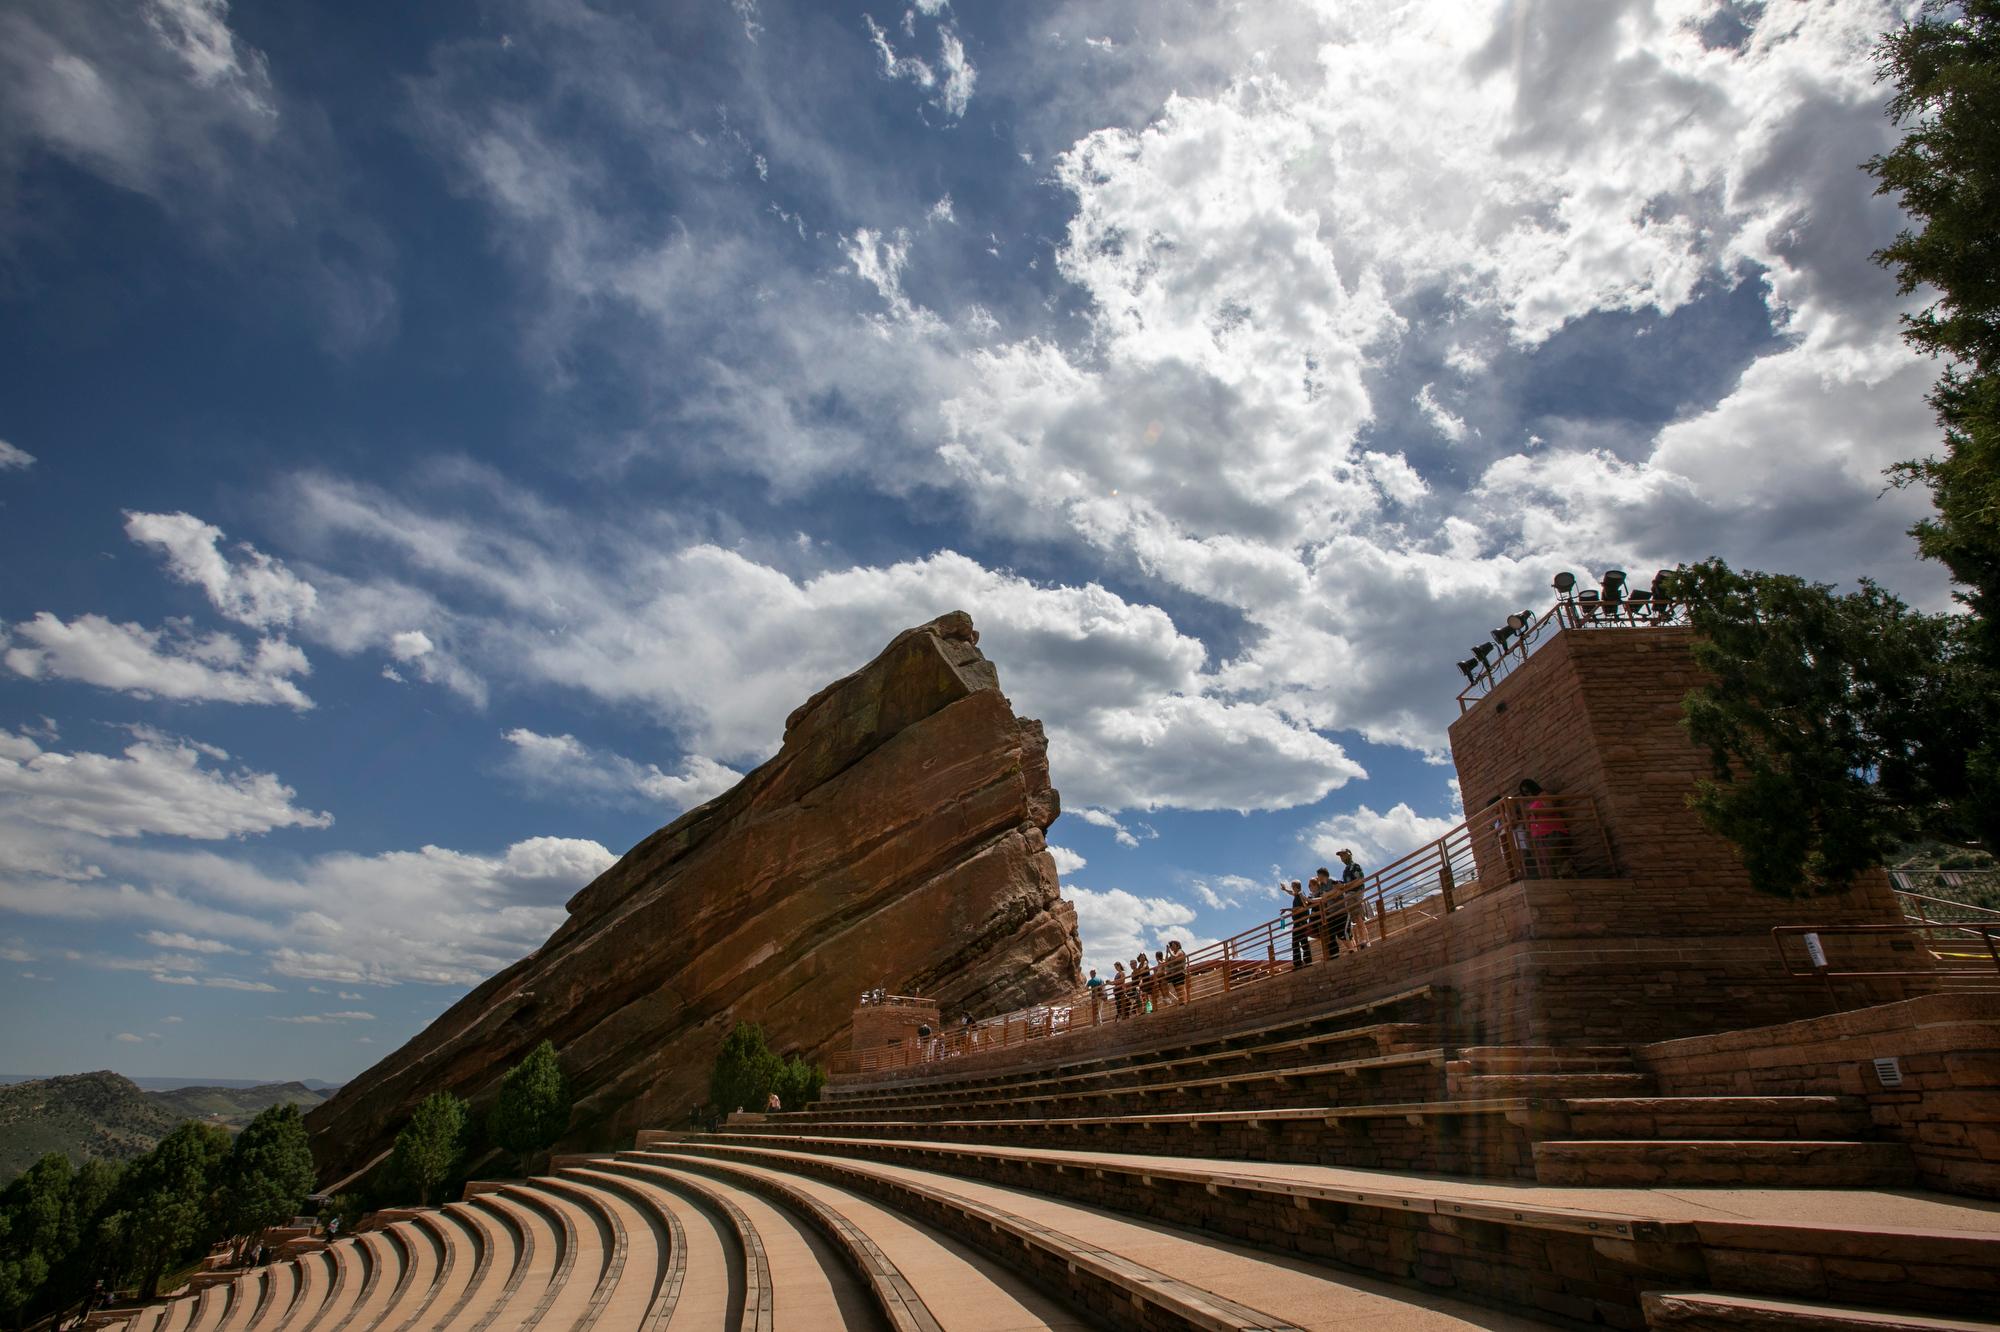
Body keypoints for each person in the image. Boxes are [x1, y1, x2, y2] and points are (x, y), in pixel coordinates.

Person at [1519, 778, 1573, 877]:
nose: (1527, 794)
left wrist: (1534, 812)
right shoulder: (1532, 802)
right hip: (1540, 835)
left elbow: (1551, 809)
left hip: (1551, 831)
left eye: (1527, 791)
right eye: (1524, 793)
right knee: (1547, 861)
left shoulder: (1543, 795)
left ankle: (1566, 878)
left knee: (1558, 858)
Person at [1309, 866, 1346, 958]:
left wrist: (1328, 894)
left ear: (1322, 875)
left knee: (1343, 934)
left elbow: (1340, 887)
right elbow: (1322, 898)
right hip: (1330, 912)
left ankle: (1352, 949)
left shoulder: (1332, 880)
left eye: (1318, 875)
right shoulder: (1322, 886)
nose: (1317, 877)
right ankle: (1334, 954)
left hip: (1340, 910)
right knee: (1331, 934)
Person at [1337, 848, 1368, 948]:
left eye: (1343, 855)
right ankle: (1364, 940)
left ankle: (1364, 939)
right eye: (1341, 856)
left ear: (1349, 854)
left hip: (1355, 894)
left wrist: (1346, 886)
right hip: (1349, 896)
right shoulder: (1346, 870)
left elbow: (1360, 879)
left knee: (1358, 918)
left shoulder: (1355, 866)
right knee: (1356, 918)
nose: (1342, 857)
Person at [1288, 880, 1314, 968]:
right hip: (1297, 922)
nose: (1292, 888)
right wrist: (1284, 889)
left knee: (1302, 942)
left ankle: (1306, 962)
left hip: (1301, 922)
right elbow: (1291, 893)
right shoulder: (1297, 895)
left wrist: (1288, 909)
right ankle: (1299, 963)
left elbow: (1304, 906)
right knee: (1296, 943)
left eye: (1293, 886)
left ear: (1296, 886)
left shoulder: (1300, 894)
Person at [1162, 940, 1188, 1004]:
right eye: (1170, 946)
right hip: (1173, 974)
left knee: (1180, 989)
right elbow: (1166, 962)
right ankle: (1168, 998)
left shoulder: (1180, 951)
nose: (1171, 947)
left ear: (1177, 946)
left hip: (1180, 973)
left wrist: (1170, 952)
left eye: (1173, 945)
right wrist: (1167, 953)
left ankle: (1184, 1002)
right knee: (1164, 982)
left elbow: (1175, 957)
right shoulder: (1172, 954)